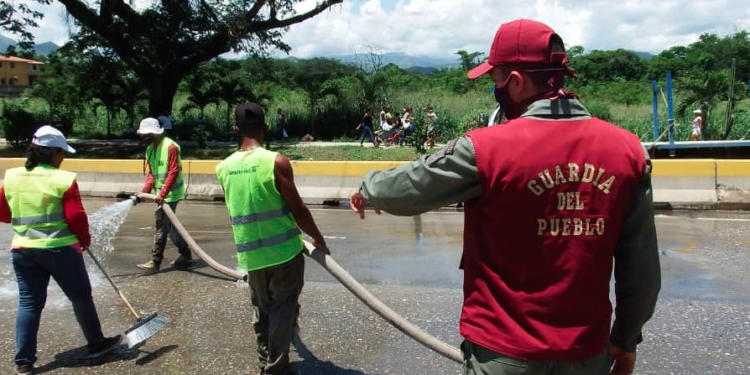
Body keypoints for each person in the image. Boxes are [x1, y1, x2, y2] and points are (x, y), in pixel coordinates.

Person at [350, 19, 660, 375]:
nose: (494, 87)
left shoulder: (486, 149)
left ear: (515, 82)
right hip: (586, 356)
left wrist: (368, 187)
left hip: (504, 354)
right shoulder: (628, 151)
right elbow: (642, 270)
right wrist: (625, 340)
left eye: (495, 79)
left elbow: (411, 186)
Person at [216, 102, 329, 375]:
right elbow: (298, 209)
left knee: (262, 313)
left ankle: (264, 363)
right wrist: (318, 239)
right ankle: (276, 369)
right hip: (285, 254)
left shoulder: (224, 168)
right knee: (282, 312)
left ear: (235, 129)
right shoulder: (275, 161)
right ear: (266, 127)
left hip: (252, 256)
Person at [1, 126, 122, 375]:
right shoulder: (63, 179)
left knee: (29, 303)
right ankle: (97, 344)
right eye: (61, 152)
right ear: (52, 152)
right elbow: (76, 216)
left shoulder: (11, 176)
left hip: (23, 250)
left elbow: (3, 214)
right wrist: (84, 240)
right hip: (59, 249)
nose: (63, 157)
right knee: (80, 296)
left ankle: (24, 361)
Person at [134, 117, 192, 272]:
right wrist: (144, 192)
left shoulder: (170, 147)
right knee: (173, 230)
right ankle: (186, 253)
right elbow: (152, 175)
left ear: (155, 133)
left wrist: (163, 193)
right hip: (161, 194)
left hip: (171, 194)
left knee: (161, 225)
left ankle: (155, 261)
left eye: (147, 135)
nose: (143, 138)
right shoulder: (150, 149)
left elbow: (173, 172)